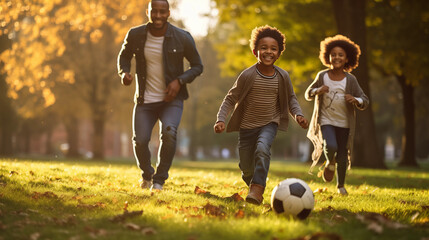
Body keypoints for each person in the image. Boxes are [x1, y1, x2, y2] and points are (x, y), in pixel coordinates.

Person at [214, 25, 309, 205]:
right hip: (246, 127)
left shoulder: (283, 76)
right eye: (263, 47)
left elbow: (291, 99)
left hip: (269, 123)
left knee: (262, 148)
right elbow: (229, 99)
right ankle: (252, 182)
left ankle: (258, 189)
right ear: (254, 51)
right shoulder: (247, 75)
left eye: (273, 48)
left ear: (279, 53)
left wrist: (298, 115)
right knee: (245, 167)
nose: (268, 52)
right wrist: (221, 119)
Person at [117, 0, 203, 191]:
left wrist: (179, 81)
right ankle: (147, 175)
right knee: (140, 140)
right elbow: (124, 56)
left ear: (168, 13)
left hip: (171, 100)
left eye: (162, 12)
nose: (157, 15)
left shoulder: (182, 37)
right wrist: (124, 72)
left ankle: (159, 181)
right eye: (153, 11)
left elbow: (198, 66)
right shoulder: (135, 34)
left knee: (169, 133)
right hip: (144, 100)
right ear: (147, 12)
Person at [305, 35, 369, 195]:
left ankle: (340, 185)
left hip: (345, 124)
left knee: (342, 155)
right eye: (333, 54)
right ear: (328, 56)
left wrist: (355, 99)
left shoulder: (351, 80)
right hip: (326, 121)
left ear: (347, 58)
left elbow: (365, 100)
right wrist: (318, 90)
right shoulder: (322, 76)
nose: (337, 57)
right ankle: (329, 161)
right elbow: (308, 93)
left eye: (340, 55)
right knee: (331, 146)